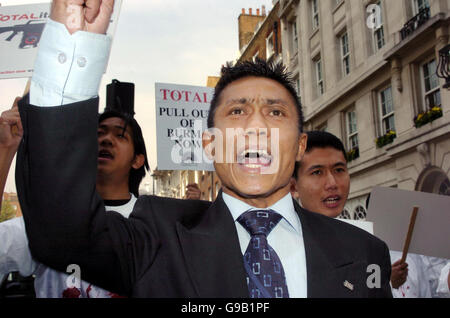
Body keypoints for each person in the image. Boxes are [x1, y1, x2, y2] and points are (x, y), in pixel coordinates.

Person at [16, 0, 392, 298]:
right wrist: (73, 45)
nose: (255, 126)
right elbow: (60, 232)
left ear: (299, 146)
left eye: (275, 112)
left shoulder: (366, 254)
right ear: (210, 143)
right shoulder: (157, 235)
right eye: (238, 111)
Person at [0, 82, 154, 297]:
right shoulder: (47, 222)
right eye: (98, 134)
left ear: (137, 160)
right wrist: (5, 149)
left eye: (119, 135)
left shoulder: (155, 224)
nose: (106, 140)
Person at [291, 130, 449, 298]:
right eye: (317, 172)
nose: (332, 183)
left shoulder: (372, 248)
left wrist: (387, 282)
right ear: (293, 187)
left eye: (338, 170)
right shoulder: (275, 251)